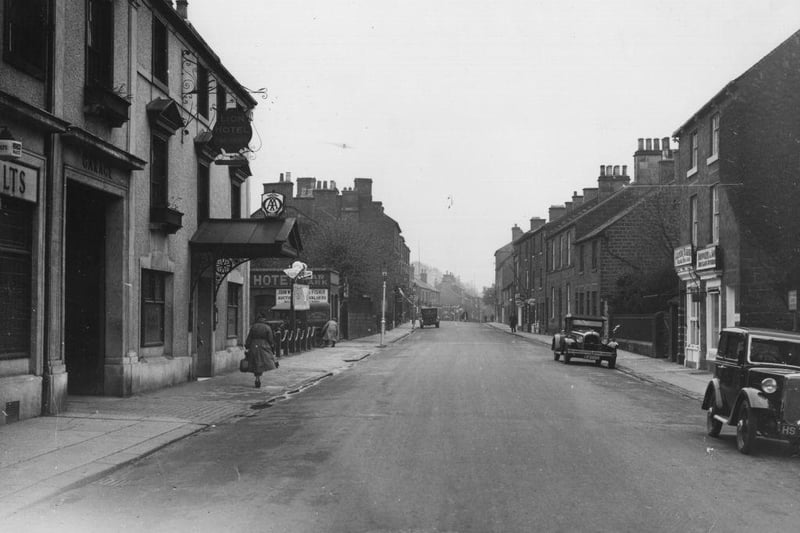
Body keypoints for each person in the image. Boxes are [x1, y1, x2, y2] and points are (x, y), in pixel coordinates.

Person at [245, 313, 277, 388]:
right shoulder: (267, 327)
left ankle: (257, 378)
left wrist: (247, 345)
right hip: (264, 346)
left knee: (255, 362)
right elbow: (270, 339)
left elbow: (249, 337)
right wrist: (272, 346)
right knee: (262, 362)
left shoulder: (253, 327)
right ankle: (258, 378)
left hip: (254, 345)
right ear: (264, 319)